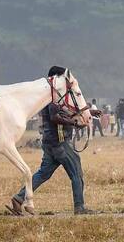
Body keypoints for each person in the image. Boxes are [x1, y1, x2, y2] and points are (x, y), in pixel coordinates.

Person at [9, 66, 100, 215]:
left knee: (44, 173)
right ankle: (80, 207)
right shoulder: (53, 97)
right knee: (76, 172)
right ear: (56, 79)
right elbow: (55, 117)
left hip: (50, 142)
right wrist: (74, 123)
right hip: (59, 143)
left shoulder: (52, 97)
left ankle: (19, 198)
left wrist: (88, 112)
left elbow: (66, 112)